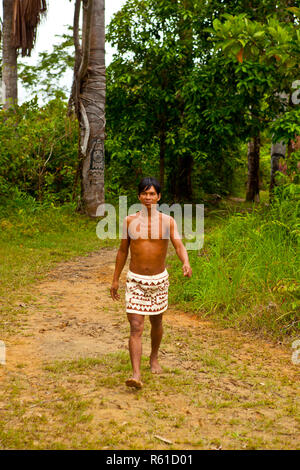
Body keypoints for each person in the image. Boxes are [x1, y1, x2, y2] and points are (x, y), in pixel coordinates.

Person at [110, 177, 192, 389]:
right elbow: (122, 251)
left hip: (158, 280)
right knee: (136, 326)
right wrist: (115, 279)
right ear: (139, 196)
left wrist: (186, 262)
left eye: (152, 194)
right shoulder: (129, 221)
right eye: (144, 194)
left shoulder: (167, 221)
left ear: (159, 197)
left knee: (156, 323)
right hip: (135, 280)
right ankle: (136, 374)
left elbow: (179, 244)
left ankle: (153, 357)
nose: (148, 197)